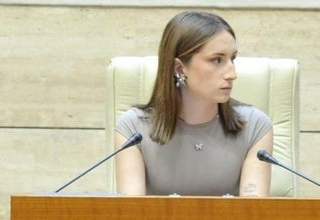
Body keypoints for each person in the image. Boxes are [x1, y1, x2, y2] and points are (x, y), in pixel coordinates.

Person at [114, 11, 274, 197]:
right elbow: (133, 217)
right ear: (179, 68)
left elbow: (253, 217)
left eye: (233, 59)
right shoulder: (133, 129)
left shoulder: (255, 126)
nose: (232, 74)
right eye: (217, 60)